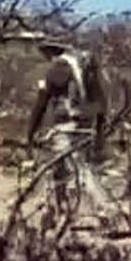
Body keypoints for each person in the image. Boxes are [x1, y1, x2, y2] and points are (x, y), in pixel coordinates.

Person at [25, 39, 111, 222]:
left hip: (67, 126)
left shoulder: (57, 68)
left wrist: (31, 132)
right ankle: (60, 211)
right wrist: (100, 128)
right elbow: (102, 102)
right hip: (86, 122)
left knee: (80, 169)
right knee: (59, 168)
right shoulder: (82, 69)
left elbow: (42, 103)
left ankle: (106, 209)